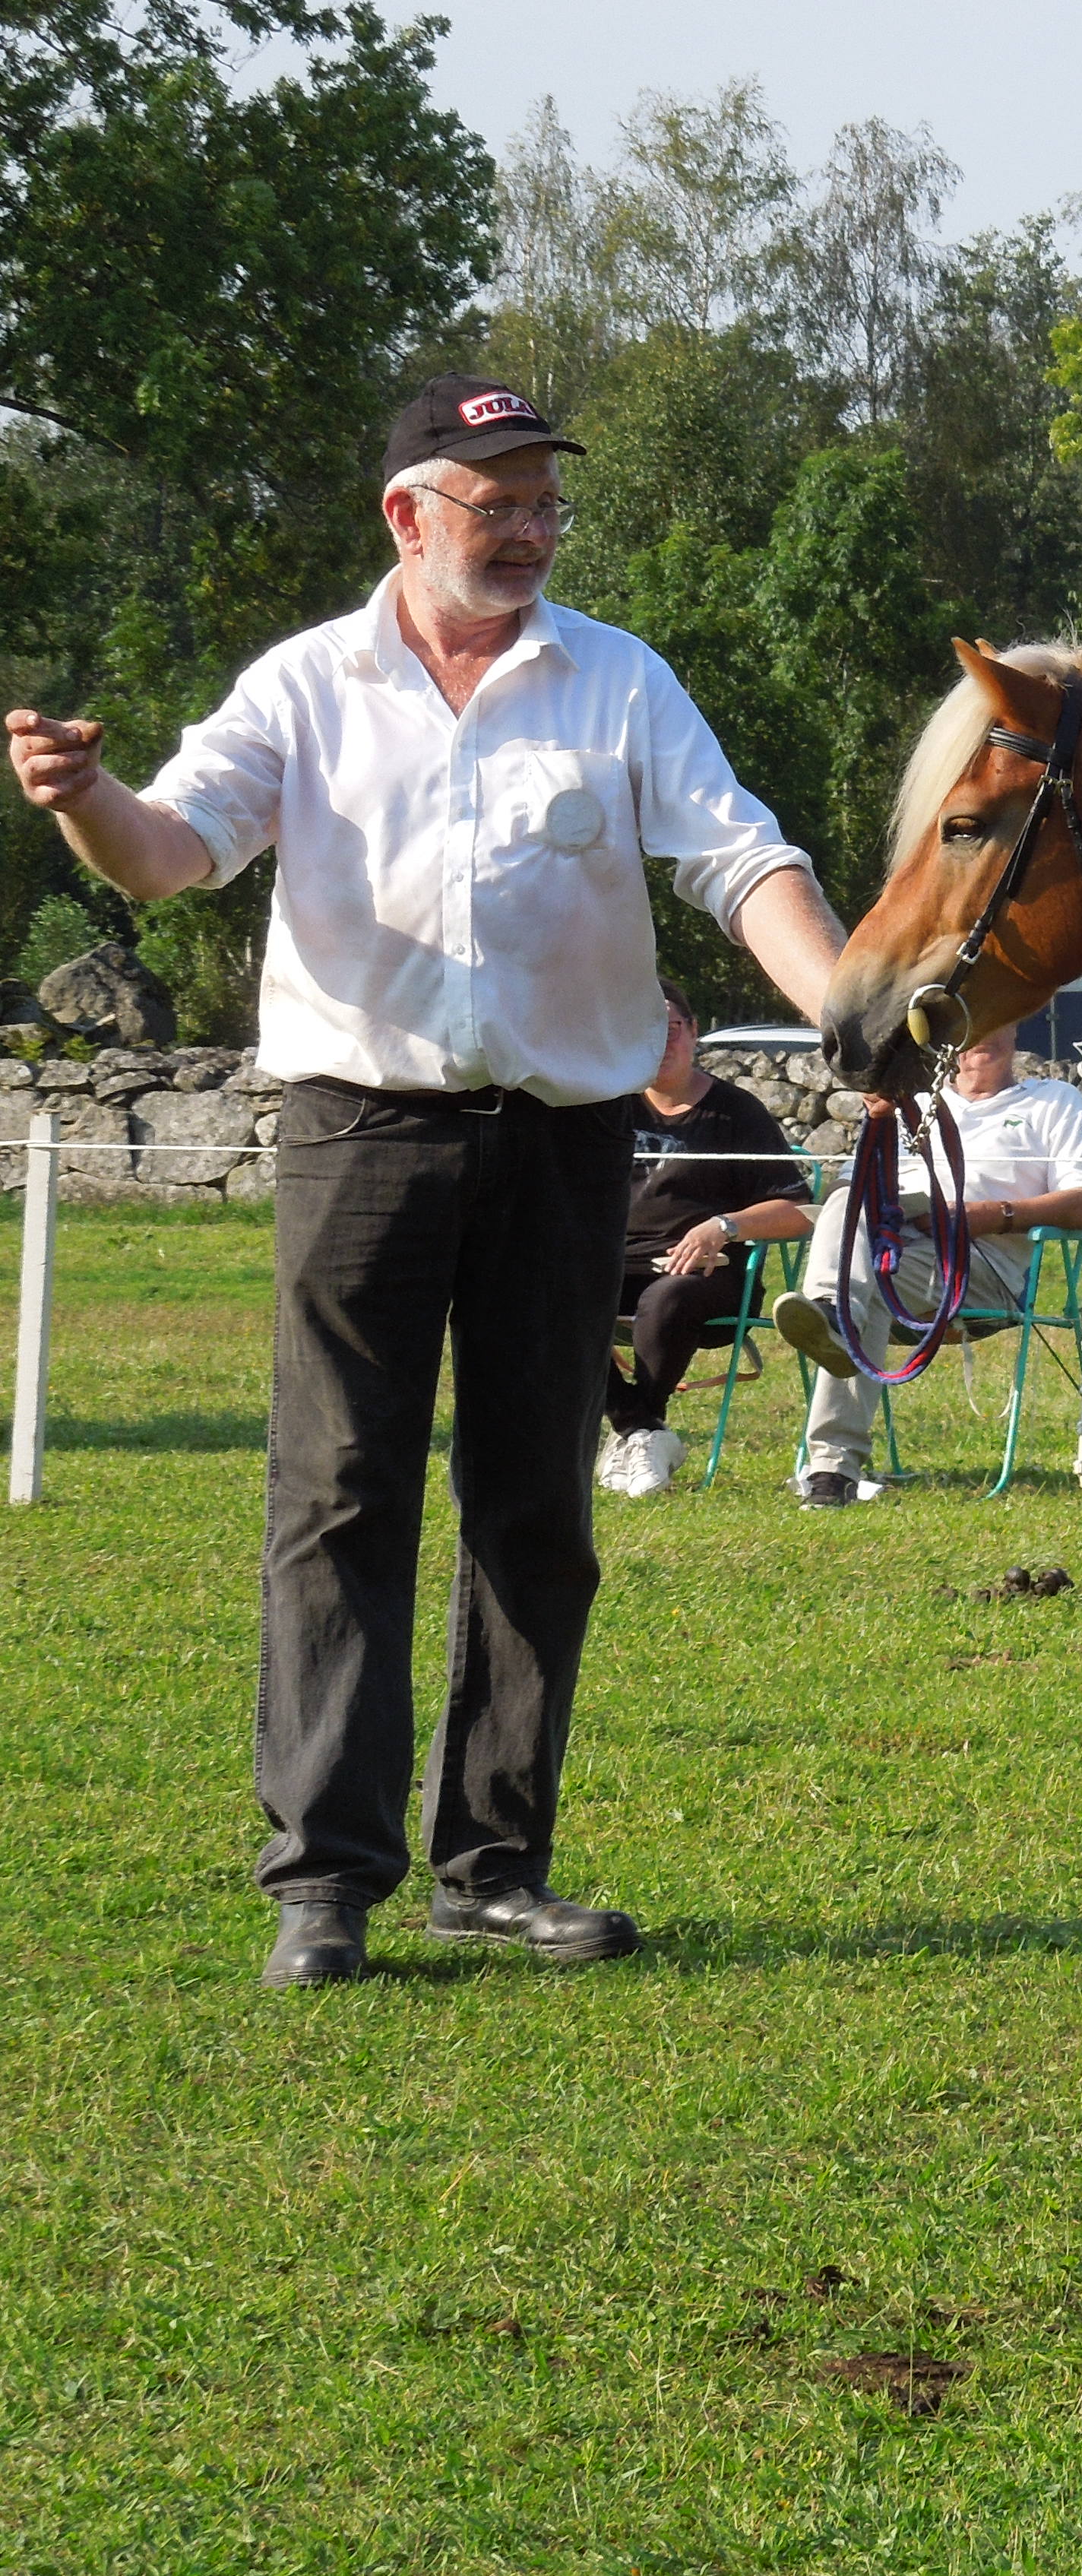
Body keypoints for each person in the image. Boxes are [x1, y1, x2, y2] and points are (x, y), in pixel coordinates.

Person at [5, 375, 845, 1988]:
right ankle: (322, 1886)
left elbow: (739, 857)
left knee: (536, 1498)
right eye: (496, 504)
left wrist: (847, 997)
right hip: (359, 1131)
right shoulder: (306, 686)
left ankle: (496, 1869)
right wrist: (83, 804)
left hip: (563, 1138)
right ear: (410, 515)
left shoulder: (617, 680)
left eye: (545, 504)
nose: (528, 531)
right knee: (338, 1495)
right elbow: (176, 850)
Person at [768, 1020, 1082, 1509]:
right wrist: (881, 1130)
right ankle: (831, 1459)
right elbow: (847, 1188)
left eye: (995, 1019)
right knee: (852, 1210)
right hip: (892, 1249)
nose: (980, 1037)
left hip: (981, 1262)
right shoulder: (909, 1103)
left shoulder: (1053, 1101)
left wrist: (992, 1215)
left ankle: (837, 1324)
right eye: (968, 1026)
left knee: (863, 1283)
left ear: (1015, 1030)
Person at [604, 982, 817, 1499]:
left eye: (670, 1027)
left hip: (710, 1276)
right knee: (553, 1294)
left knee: (669, 1296)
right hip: (614, 1269)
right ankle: (640, 1430)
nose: (660, 1041)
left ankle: (639, 1427)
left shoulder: (735, 1113)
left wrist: (724, 1225)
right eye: (644, 1028)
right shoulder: (606, 1110)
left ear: (694, 1032)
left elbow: (799, 1209)